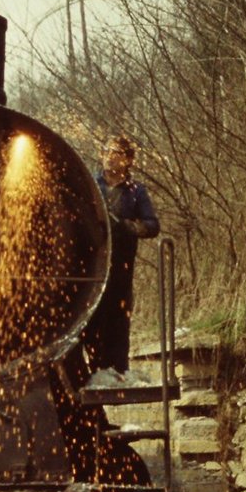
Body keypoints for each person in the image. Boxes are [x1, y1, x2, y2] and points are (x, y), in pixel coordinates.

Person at [85, 134, 160, 377]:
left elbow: (152, 225)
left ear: (127, 160)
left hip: (121, 263)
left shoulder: (136, 191)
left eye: (116, 153)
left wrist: (128, 227)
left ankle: (117, 370)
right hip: (91, 261)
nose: (110, 157)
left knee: (118, 314)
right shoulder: (90, 183)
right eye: (107, 151)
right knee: (90, 314)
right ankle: (91, 371)